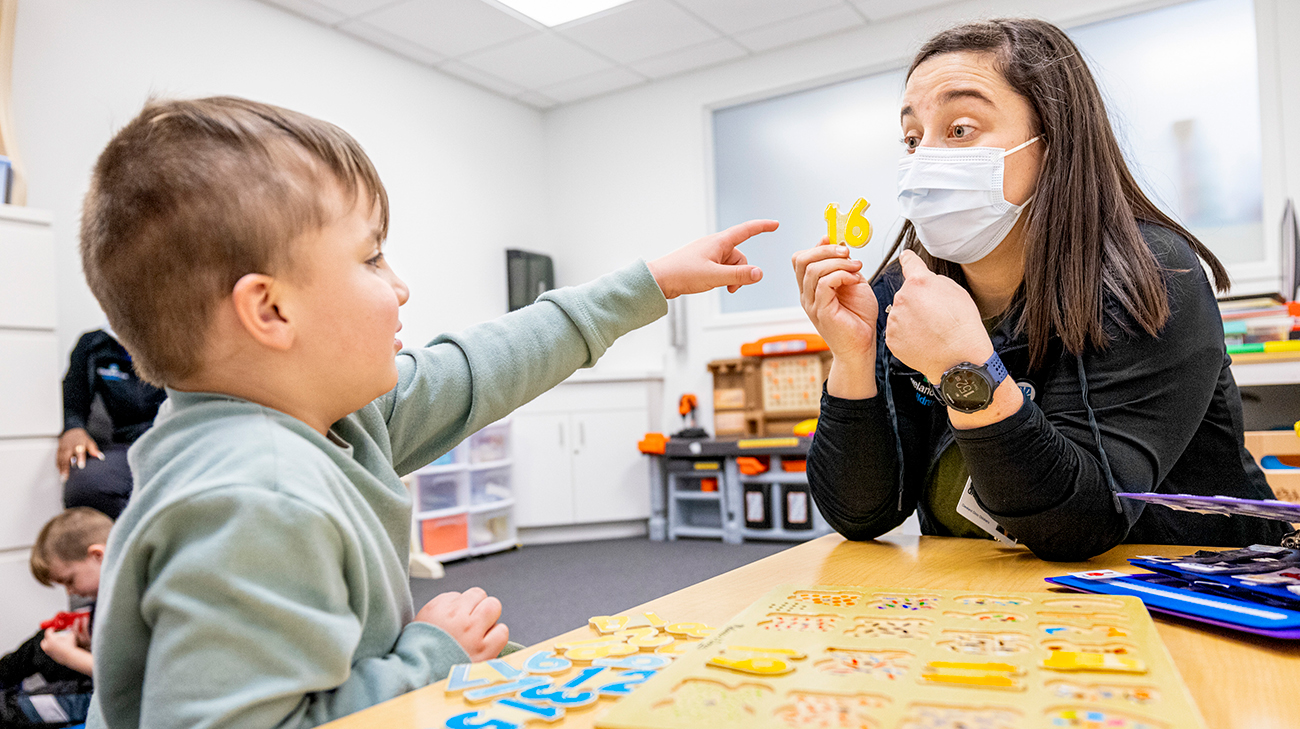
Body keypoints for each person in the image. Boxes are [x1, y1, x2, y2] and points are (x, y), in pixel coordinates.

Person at [78, 96, 774, 728]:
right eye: (374, 258)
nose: (401, 286)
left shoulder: (331, 416)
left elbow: (484, 365)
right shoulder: (255, 493)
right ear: (270, 309)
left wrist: (652, 282)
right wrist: (432, 654)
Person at [793, 18, 1287, 563]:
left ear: (1052, 140)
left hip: (1191, 593)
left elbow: (1081, 524)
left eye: (960, 129)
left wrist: (964, 366)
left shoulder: (1152, 276)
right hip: (997, 604)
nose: (925, 160)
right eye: (913, 139)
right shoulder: (906, 291)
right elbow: (862, 514)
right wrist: (853, 358)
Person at [0, 507, 111, 726]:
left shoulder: (133, 599)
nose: (69, 592)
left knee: (9, 710)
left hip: (100, 698)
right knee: (41, 644)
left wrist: (69, 655)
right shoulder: (106, 595)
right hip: (96, 674)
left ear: (98, 556)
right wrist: (88, 644)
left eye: (70, 580)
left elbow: (130, 678)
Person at [58, 328, 166, 519]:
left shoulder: (180, 342)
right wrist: (73, 429)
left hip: (169, 442)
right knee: (87, 486)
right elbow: (73, 405)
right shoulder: (93, 345)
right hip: (119, 446)